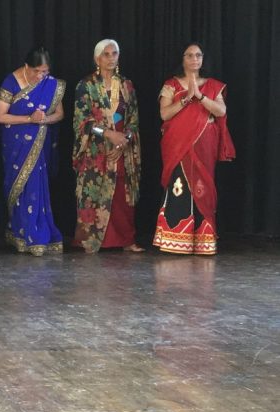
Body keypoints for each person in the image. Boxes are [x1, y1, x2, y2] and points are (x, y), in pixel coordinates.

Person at [153, 42, 235, 255]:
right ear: (182, 59)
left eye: (198, 55)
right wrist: (186, 98)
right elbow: (164, 114)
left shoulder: (213, 85)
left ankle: (202, 241)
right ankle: (175, 238)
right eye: (189, 55)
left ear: (203, 59)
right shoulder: (171, 85)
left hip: (203, 146)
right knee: (178, 186)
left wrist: (200, 96)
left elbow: (220, 111)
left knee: (202, 187)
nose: (194, 59)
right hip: (177, 145)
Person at [72, 39, 143, 253]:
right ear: (97, 58)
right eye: (107, 54)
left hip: (122, 147)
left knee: (122, 194)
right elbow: (81, 121)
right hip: (96, 150)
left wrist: (123, 141)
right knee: (94, 193)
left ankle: (126, 240)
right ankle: (92, 241)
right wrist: (108, 134)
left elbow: (133, 120)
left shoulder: (126, 85)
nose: (111, 58)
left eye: (114, 54)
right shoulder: (86, 85)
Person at [0, 47, 65, 256]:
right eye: (37, 71)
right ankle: (20, 234)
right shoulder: (11, 82)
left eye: (44, 71)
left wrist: (44, 119)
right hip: (15, 146)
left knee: (37, 187)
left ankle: (38, 233)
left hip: (39, 144)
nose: (40, 76)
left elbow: (59, 114)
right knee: (19, 187)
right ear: (26, 67)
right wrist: (28, 119)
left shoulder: (50, 84)